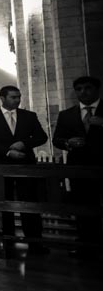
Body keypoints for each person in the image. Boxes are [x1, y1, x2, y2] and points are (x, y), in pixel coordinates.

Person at [0, 85, 49, 255]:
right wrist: (8, 151)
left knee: (29, 203)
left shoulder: (29, 116)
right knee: (4, 202)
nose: (18, 100)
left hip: (26, 165)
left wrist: (24, 143)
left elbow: (42, 137)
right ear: (2, 98)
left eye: (19, 97)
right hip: (1, 166)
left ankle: (34, 241)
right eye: (13, 97)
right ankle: (6, 239)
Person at [52, 75, 103, 255]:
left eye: (88, 88)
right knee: (82, 205)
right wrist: (68, 143)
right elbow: (56, 139)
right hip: (79, 168)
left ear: (97, 90)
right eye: (79, 89)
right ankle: (85, 243)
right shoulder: (67, 114)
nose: (83, 92)